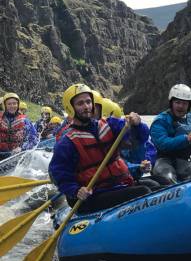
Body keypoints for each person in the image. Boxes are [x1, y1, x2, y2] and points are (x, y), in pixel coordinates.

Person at [49, 83, 151, 214]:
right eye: (80, 104)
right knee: (144, 192)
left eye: (88, 102)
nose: (86, 107)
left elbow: (141, 137)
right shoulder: (67, 142)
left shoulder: (109, 124)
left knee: (158, 185)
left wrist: (138, 124)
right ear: (71, 108)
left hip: (117, 186)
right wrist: (75, 190)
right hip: (92, 196)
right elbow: (57, 174)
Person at [150, 83, 191, 185]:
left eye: (184, 104)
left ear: (189, 106)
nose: (181, 106)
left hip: (184, 161)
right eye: (177, 102)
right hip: (163, 160)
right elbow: (162, 143)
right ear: (171, 103)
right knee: (168, 178)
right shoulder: (160, 121)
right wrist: (186, 139)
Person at [0, 93, 38, 160]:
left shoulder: (25, 121)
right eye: (9, 104)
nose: (12, 106)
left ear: (18, 105)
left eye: (14, 103)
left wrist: (22, 148)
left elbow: (33, 139)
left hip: (16, 156)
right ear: (5, 105)